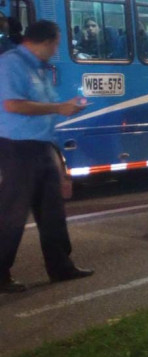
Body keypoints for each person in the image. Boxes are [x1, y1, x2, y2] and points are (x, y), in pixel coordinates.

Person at [0, 20, 93, 293]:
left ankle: (61, 267)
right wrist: (58, 107)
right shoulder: (11, 63)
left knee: (52, 211)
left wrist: (67, 108)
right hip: (18, 148)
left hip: (41, 145)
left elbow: (43, 106)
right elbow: (12, 104)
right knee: (12, 213)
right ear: (46, 41)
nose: (56, 50)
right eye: (56, 44)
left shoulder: (39, 68)